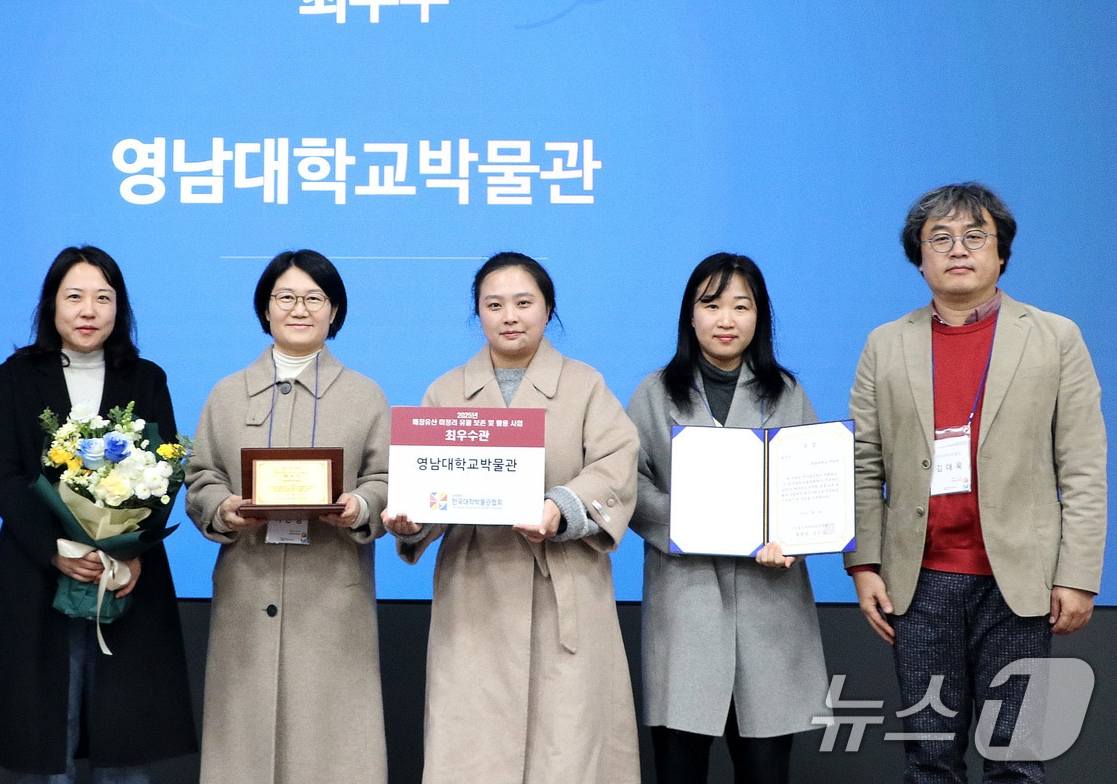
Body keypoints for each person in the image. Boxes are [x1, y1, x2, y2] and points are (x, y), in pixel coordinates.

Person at [845, 182, 1106, 782]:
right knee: (929, 755)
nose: (957, 250)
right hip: (922, 580)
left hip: (1020, 581)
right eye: (940, 238)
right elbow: (864, 463)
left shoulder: (1054, 337)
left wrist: (1077, 574)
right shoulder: (885, 345)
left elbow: (1084, 465)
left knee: (1018, 754)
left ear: (1001, 253)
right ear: (919, 256)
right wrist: (864, 565)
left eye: (974, 236)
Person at [384, 251, 640, 783]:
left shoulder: (585, 384)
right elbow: (428, 484)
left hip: (563, 586)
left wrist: (560, 507)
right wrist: (412, 522)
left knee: (568, 748)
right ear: (477, 313)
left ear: (548, 309)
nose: (510, 316)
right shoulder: (446, 390)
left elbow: (617, 464)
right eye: (494, 304)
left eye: (524, 302)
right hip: (476, 590)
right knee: (473, 750)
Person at [0, 246, 197, 782]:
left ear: (119, 308)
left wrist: (130, 552)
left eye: (102, 297)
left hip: (125, 576)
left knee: (124, 736)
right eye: (74, 297)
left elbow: (165, 471)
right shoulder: (18, 375)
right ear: (51, 306)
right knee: (47, 735)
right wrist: (56, 549)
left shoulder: (146, 377)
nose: (88, 310)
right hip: (36, 572)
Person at [184, 249, 389, 784]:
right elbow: (201, 476)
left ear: (335, 312)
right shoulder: (226, 394)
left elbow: (387, 479)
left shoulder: (366, 397)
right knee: (243, 751)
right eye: (285, 297)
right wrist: (223, 509)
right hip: (246, 593)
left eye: (314, 298)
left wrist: (361, 506)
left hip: (331, 598)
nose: (300, 309)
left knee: (333, 752)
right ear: (266, 309)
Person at [625, 252, 828, 784]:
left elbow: (811, 489)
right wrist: (690, 520)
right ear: (690, 316)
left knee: (765, 769)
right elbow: (629, 487)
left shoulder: (786, 393)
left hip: (769, 599)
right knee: (680, 767)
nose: (726, 319)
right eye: (711, 304)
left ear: (759, 316)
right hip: (686, 599)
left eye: (741, 306)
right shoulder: (653, 392)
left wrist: (796, 535)